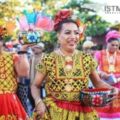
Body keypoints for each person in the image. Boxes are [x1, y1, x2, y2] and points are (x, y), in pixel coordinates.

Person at [31, 9, 119, 120]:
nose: (73, 36)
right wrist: (38, 101)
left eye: (76, 33)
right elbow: (35, 85)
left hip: (82, 113)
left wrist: (112, 89)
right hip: (54, 113)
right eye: (67, 32)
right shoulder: (48, 59)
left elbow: (98, 83)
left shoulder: (87, 59)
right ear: (58, 36)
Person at [0, 35, 30, 119]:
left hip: (8, 103)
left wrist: (23, 51)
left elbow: (23, 73)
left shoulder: (12, 56)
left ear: (2, 42)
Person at [94, 30, 120, 120]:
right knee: (103, 116)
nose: (115, 47)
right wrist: (101, 73)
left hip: (118, 88)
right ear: (107, 42)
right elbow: (92, 71)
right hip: (104, 86)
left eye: (117, 45)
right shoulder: (99, 54)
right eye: (112, 45)